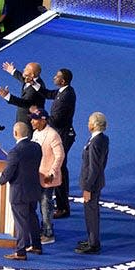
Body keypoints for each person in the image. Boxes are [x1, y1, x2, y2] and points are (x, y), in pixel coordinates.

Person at [0, 122, 43, 260]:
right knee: (32, 217)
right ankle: (36, 245)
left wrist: (2, 180)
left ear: (15, 133)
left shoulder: (15, 151)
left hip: (19, 192)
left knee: (21, 222)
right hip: (33, 189)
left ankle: (20, 252)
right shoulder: (37, 147)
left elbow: (9, 171)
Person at [40, 68, 77, 218]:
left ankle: (63, 207)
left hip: (63, 136)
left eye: (57, 76)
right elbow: (49, 94)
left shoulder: (67, 96)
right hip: (61, 134)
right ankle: (62, 203)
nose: (54, 77)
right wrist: (34, 84)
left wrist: (40, 116)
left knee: (59, 168)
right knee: (61, 168)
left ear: (63, 81)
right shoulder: (63, 91)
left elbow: (55, 120)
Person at [29, 110, 64, 245]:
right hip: (36, 175)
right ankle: (42, 229)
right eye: (32, 119)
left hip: (47, 177)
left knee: (46, 205)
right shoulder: (36, 133)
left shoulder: (53, 135)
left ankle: (48, 233)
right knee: (39, 204)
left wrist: (52, 173)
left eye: (35, 119)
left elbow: (60, 156)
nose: (32, 121)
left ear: (43, 120)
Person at [76, 112, 109, 254]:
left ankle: (94, 244)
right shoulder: (102, 139)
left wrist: (87, 188)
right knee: (91, 212)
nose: (87, 124)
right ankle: (91, 239)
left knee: (91, 214)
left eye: (89, 121)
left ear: (94, 125)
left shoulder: (95, 142)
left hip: (92, 184)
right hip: (97, 181)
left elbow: (94, 167)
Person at [0, 61, 45, 125]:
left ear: (32, 75)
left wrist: (7, 96)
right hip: (24, 117)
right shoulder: (32, 78)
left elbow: (24, 103)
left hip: (29, 122)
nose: (24, 69)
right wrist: (13, 71)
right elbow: (23, 78)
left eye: (26, 69)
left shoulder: (34, 90)